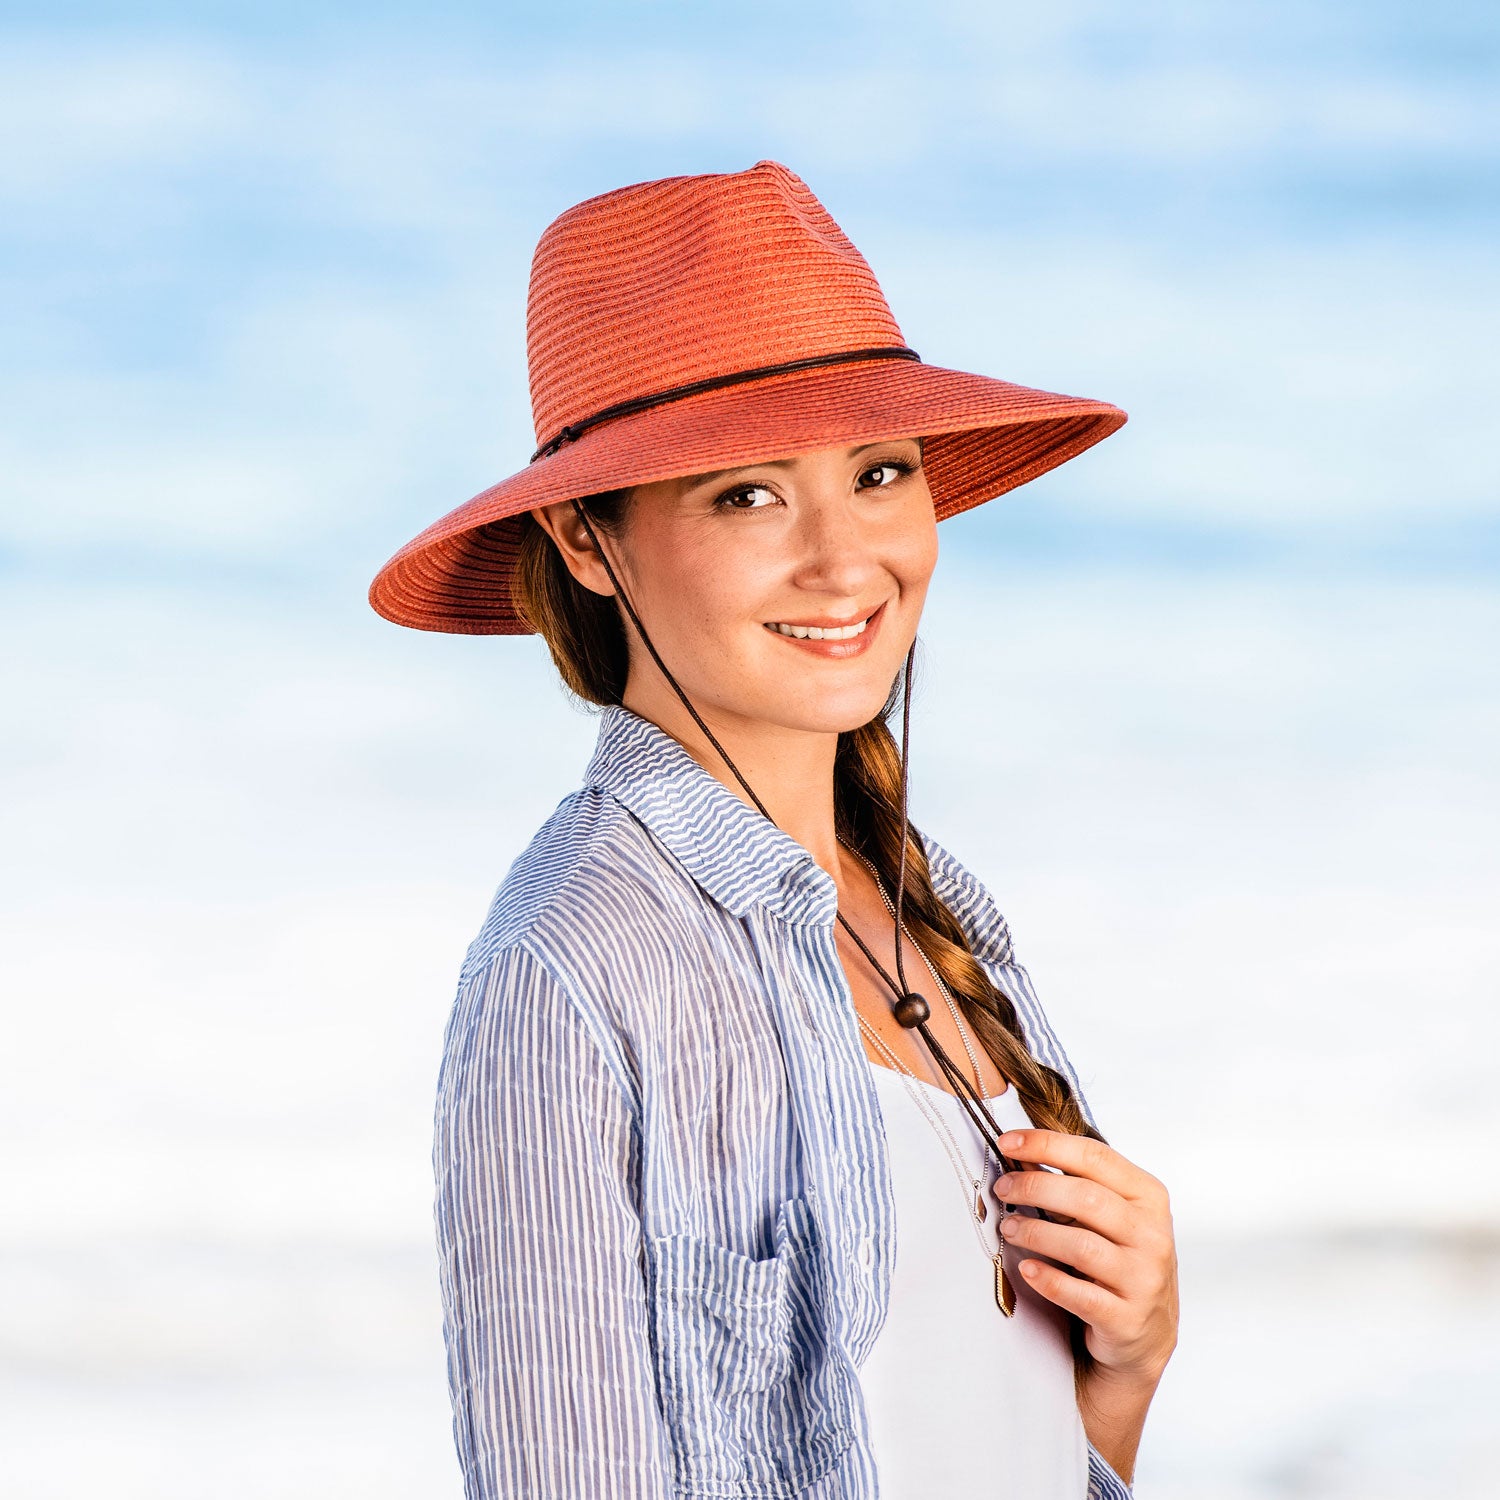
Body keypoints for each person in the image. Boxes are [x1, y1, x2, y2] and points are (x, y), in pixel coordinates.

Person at [369, 159, 1179, 1500]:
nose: (845, 558)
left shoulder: (935, 910)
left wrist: (1124, 1377)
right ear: (585, 537)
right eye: (746, 495)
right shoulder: (572, 971)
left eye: (877, 473)